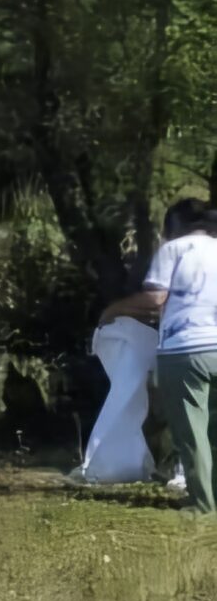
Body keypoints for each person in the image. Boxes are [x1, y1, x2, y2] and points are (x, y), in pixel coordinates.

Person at [101, 196, 217, 514]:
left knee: (192, 433)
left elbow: (155, 300)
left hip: (185, 351)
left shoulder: (173, 250)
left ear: (172, 228)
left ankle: (201, 506)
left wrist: (114, 310)